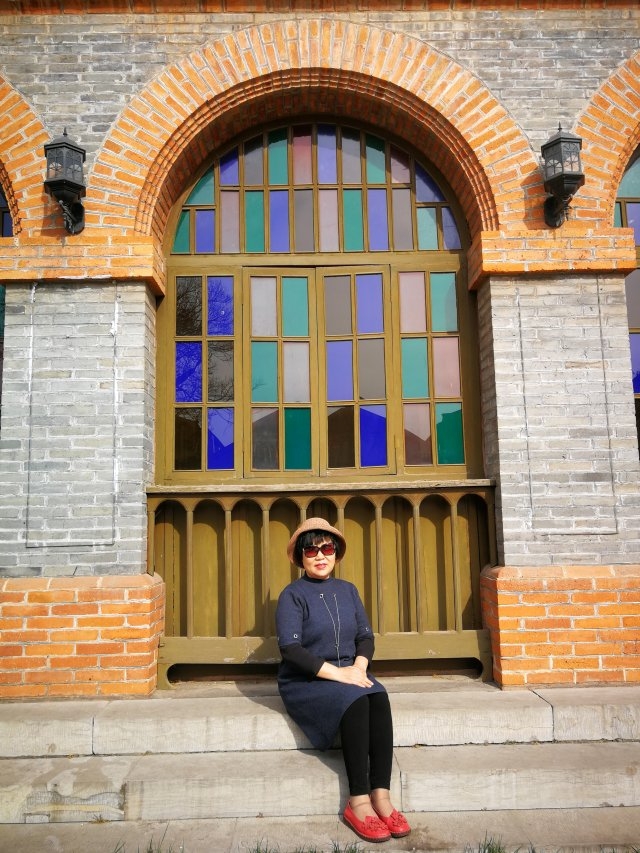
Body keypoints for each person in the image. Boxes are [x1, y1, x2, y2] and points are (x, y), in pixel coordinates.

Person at [275, 517, 411, 844]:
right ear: (300, 557)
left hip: (349, 671)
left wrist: (359, 668)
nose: (321, 555)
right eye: (311, 550)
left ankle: (381, 795)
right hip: (307, 679)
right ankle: (358, 801)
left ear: (336, 553)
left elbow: (365, 637)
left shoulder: (348, 590)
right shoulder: (292, 595)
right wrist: (340, 674)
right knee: (355, 699)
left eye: (327, 548)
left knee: (378, 696)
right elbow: (291, 649)